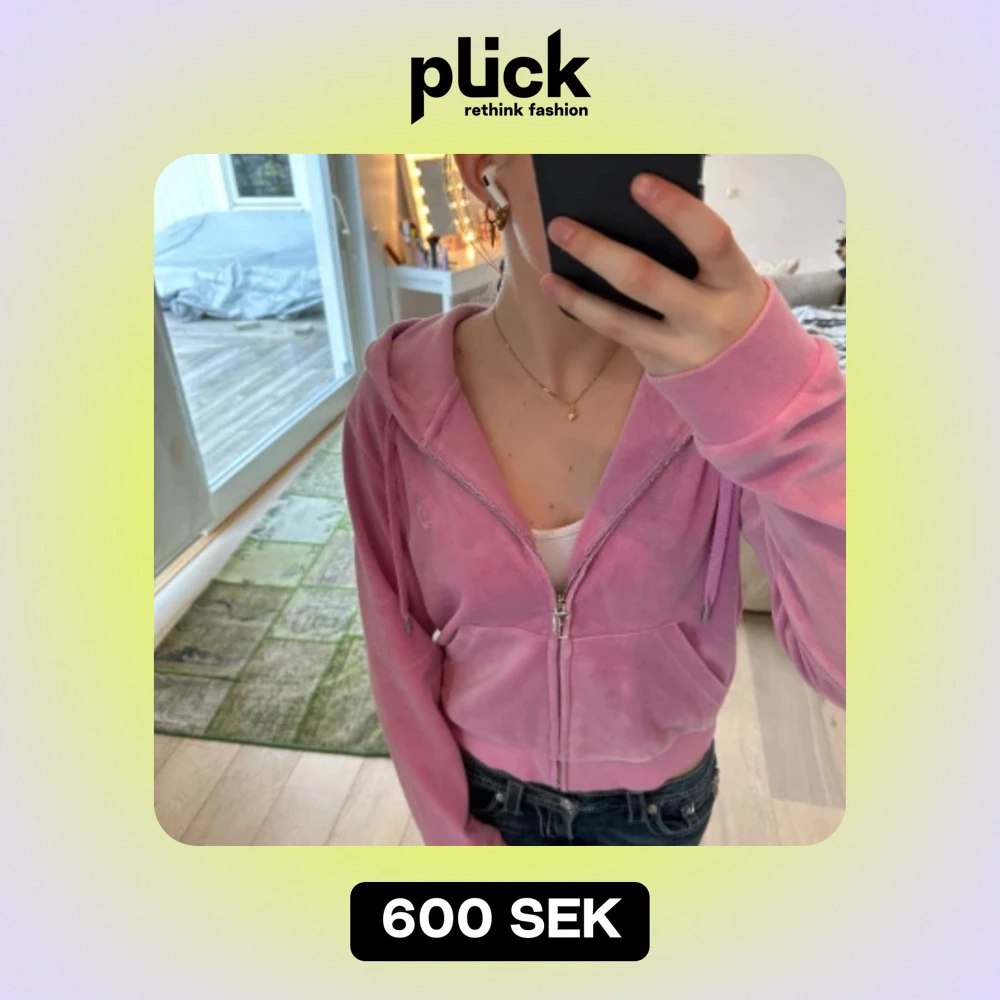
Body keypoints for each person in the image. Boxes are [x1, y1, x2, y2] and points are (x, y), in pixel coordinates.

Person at [342, 155, 845, 846]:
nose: (629, 164)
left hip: (660, 807)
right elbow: (394, 647)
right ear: (484, 165)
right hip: (482, 792)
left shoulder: (722, 396)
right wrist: (450, 835)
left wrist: (779, 399)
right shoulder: (399, 398)